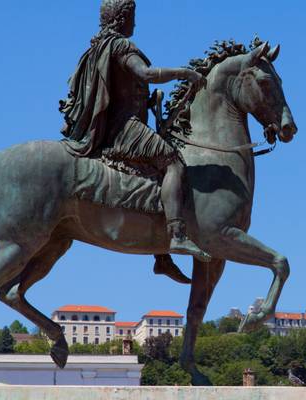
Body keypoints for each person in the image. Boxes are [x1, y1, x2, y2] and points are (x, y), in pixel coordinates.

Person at [59, 0, 210, 282]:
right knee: (173, 163)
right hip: (125, 129)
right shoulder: (120, 46)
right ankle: (177, 235)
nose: (135, 24)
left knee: (153, 176)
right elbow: (146, 74)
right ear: (122, 18)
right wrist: (185, 73)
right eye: (132, 17)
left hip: (112, 128)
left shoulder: (96, 49)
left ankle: (161, 256)